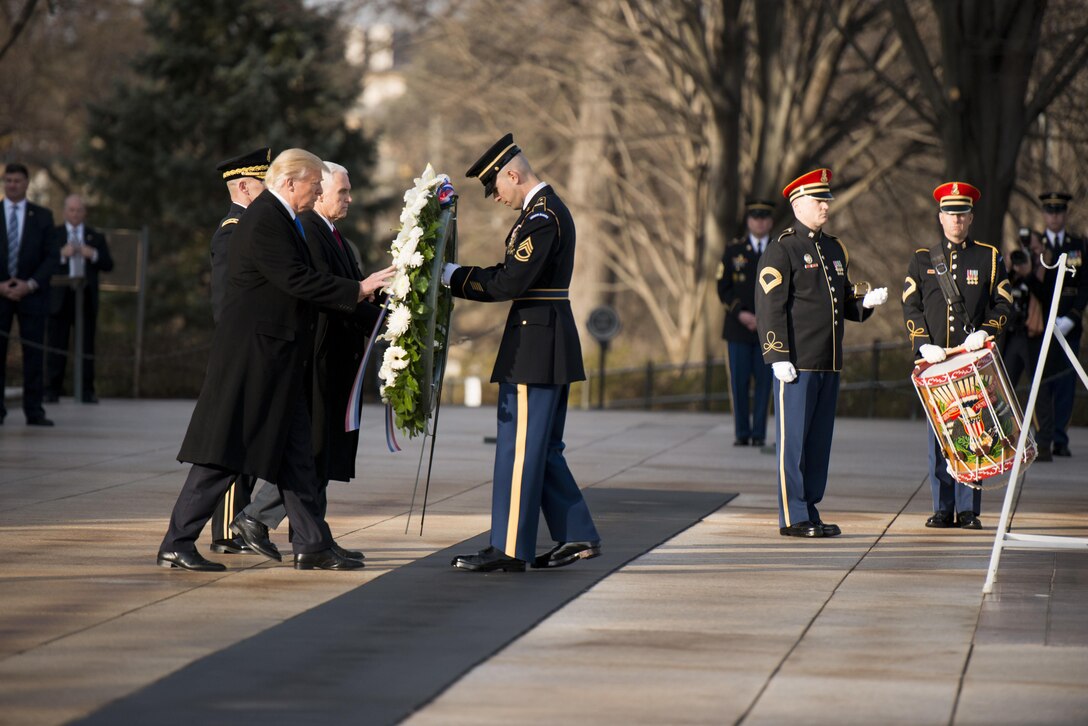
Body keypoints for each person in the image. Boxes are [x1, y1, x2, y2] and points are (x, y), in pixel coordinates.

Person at [157, 148, 389, 572]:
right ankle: (177, 540)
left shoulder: (282, 219)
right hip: (254, 359)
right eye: (315, 185)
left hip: (279, 359)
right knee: (223, 456)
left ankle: (312, 543)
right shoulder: (265, 219)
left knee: (299, 454)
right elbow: (296, 280)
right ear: (290, 183)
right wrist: (357, 290)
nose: (318, 191)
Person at [443, 133, 601, 572]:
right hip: (543, 338)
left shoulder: (542, 217)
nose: (496, 197)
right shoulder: (542, 213)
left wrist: (453, 277)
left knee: (520, 449)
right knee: (544, 449)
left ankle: (510, 547)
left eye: (496, 187)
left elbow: (510, 282)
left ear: (513, 174)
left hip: (536, 344)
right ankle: (578, 535)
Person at [232, 161, 389, 564]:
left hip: (336, 357)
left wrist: (390, 319)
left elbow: (355, 294)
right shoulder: (313, 231)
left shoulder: (333, 234)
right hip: (318, 356)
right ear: (319, 193)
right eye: (342, 191)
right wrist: (376, 311)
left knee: (315, 453)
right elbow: (327, 292)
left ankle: (312, 539)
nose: (348, 198)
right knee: (311, 451)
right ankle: (263, 521)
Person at [755, 168, 888, 538]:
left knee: (817, 443)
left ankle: (809, 507)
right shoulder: (782, 249)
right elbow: (770, 306)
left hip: (828, 361)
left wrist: (866, 303)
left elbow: (843, 302)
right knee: (793, 442)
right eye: (818, 200)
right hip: (796, 362)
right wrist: (776, 354)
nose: (825, 206)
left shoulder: (834, 248)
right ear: (798, 204)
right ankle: (792, 514)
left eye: (826, 200)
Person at [902, 182, 1013, 529]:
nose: (956, 220)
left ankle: (968, 509)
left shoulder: (988, 257)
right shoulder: (923, 259)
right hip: (937, 360)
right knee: (940, 436)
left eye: (962, 214)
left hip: (971, 361)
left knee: (975, 431)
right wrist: (922, 344)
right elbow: (910, 304)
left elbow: (1004, 301)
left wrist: (988, 330)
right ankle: (942, 506)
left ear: (971, 218)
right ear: (940, 217)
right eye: (950, 214)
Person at [205, 148, 269, 556]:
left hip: (253, 346)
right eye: (264, 182)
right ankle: (228, 528)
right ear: (244, 186)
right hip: (241, 348)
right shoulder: (233, 229)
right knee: (237, 443)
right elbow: (228, 301)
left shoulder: (252, 227)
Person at [1031, 192, 1087, 457]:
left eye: (1059, 211)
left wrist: (1072, 317)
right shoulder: (1034, 244)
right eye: (1049, 212)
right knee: (1041, 384)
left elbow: (1084, 285)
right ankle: (1043, 436)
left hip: (1068, 323)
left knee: (1065, 384)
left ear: (1064, 214)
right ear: (1044, 214)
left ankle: (1060, 439)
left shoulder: (1078, 245)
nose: (1054, 216)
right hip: (1041, 326)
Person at [0, 162, 57, 426]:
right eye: (8, 180)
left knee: (33, 354)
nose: (12, 184)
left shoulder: (43, 217)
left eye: (17, 180)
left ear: (26, 183)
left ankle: (34, 410)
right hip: (0, 294)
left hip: (32, 295)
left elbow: (51, 257)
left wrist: (29, 284)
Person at [717, 198, 776, 447]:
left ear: (770, 220)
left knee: (765, 384)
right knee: (739, 383)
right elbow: (723, 286)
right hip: (738, 328)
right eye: (755, 217)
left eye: (764, 217)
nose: (759, 221)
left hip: (770, 331)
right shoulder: (734, 250)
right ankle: (742, 433)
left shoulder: (779, 249)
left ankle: (759, 433)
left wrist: (765, 316)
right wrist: (740, 312)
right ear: (748, 220)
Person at [45, 195, 114, 404]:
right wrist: (61, 255)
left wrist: (92, 254)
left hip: (85, 297)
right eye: (72, 210)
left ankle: (86, 390)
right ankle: (51, 390)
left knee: (86, 346)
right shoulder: (54, 235)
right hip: (60, 297)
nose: (75, 214)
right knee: (56, 344)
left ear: (85, 213)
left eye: (79, 210)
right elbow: (44, 262)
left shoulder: (95, 236)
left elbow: (108, 264)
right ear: (65, 211)